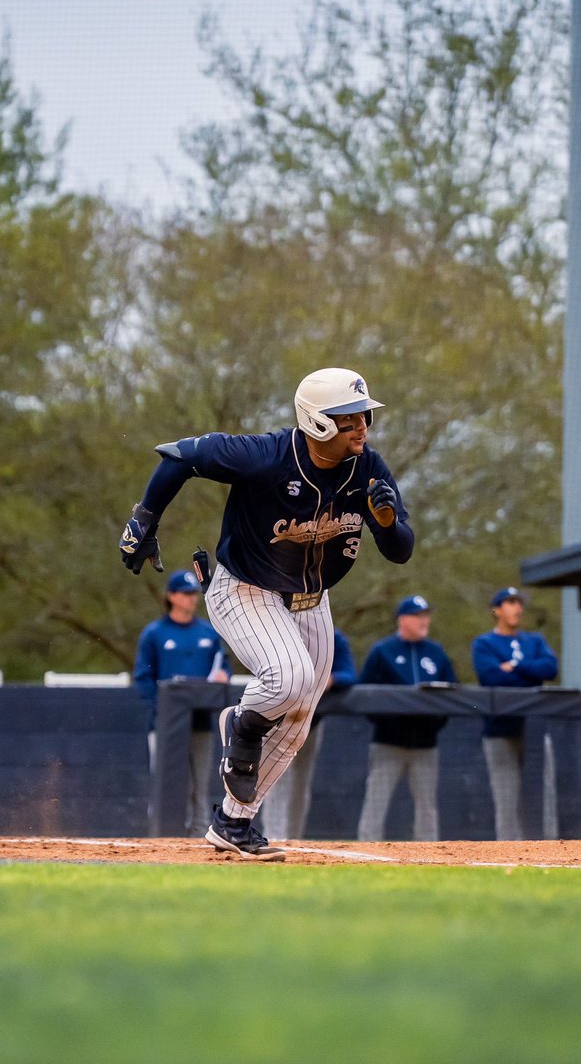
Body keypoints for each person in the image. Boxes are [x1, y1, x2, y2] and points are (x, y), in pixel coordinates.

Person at [120, 367, 414, 861]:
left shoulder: (368, 468)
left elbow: (400, 550)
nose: (362, 425)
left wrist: (385, 522)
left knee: (299, 717)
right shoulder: (266, 457)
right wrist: (144, 519)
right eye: (348, 418)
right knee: (288, 677)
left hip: (312, 600)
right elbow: (180, 457)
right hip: (244, 590)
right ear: (317, 422)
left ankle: (232, 823)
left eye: (364, 415)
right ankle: (241, 720)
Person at [133, 568, 230, 836]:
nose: (191, 599)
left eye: (194, 594)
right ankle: (162, 834)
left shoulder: (209, 633)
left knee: (201, 782)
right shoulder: (155, 633)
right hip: (165, 725)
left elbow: (224, 667)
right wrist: (160, 711)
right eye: (186, 594)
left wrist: (223, 677)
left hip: (201, 723)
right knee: (166, 781)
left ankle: (199, 834)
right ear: (172, 596)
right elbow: (143, 677)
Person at [357, 594, 457, 842]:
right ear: (403, 619)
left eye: (426, 616)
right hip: (388, 744)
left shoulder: (436, 652)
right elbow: (364, 693)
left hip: (425, 746)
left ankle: (431, 856)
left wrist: (434, 725)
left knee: (427, 807)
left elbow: (453, 693)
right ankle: (365, 853)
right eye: (418, 616)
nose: (425, 621)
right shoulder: (383, 651)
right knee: (375, 803)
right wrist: (388, 722)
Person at [471, 586, 558, 840]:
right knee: (506, 798)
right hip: (500, 729)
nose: (517, 608)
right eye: (510, 602)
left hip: (535, 727)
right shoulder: (485, 643)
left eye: (519, 602)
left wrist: (516, 666)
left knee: (543, 794)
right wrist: (529, 673)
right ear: (496, 610)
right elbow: (491, 676)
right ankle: (509, 853)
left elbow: (550, 668)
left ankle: (549, 850)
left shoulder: (535, 641)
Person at [259, 626, 357, 841]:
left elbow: (350, 674)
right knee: (275, 781)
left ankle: (293, 837)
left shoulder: (333, 636)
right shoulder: (281, 631)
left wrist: (331, 679)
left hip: (310, 722)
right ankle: (273, 836)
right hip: (278, 720)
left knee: (300, 785)